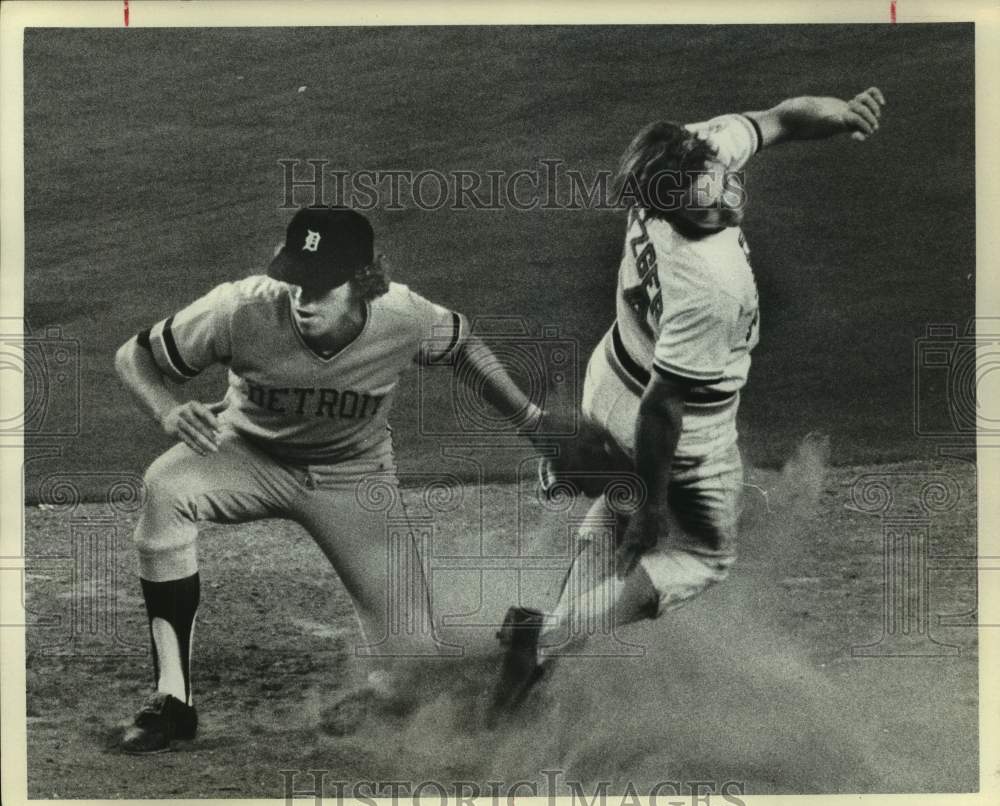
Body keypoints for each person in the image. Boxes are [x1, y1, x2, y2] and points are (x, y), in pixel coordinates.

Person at [490, 87, 887, 718]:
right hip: (675, 428)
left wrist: (836, 115)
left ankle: (532, 661)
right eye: (705, 214)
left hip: (610, 380)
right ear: (674, 209)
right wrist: (652, 504)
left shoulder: (684, 159)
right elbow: (662, 408)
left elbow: (777, 119)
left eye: (723, 191)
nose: (726, 210)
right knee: (702, 555)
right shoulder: (709, 283)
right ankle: (546, 637)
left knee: (617, 515)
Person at [115, 205, 544, 752]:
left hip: (352, 479)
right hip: (246, 454)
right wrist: (167, 412)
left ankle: (480, 656)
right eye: (295, 280)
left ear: (364, 280)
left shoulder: (404, 316)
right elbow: (134, 355)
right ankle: (172, 702)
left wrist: (530, 420)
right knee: (166, 486)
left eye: (320, 285)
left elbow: (463, 346)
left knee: (414, 661)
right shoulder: (239, 308)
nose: (302, 296)